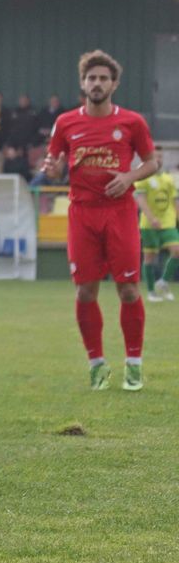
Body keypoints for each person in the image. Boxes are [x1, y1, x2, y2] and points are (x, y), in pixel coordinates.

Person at [41, 50, 157, 391]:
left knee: (129, 290)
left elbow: (151, 163)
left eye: (103, 78)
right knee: (85, 290)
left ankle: (133, 365)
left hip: (119, 213)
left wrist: (128, 177)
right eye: (91, 78)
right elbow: (55, 162)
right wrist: (54, 169)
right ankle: (97, 364)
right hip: (82, 214)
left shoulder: (132, 122)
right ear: (82, 83)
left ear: (114, 83)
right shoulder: (65, 122)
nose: (97, 83)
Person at [135, 160, 178, 302]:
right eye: (155, 155)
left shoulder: (168, 179)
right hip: (149, 224)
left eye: (160, 156)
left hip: (168, 222)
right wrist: (151, 218)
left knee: (177, 250)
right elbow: (140, 200)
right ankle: (151, 292)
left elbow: (175, 200)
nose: (159, 158)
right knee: (149, 257)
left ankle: (163, 282)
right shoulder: (142, 178)